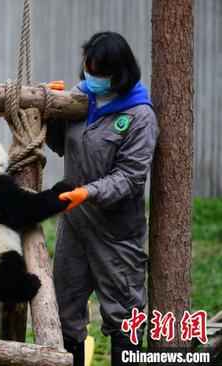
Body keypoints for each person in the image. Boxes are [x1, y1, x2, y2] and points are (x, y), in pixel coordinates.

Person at [46, 31, 159, 366]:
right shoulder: (82, 98)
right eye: (89, 68)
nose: (91, 76)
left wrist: (89, 192)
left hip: (116, 232)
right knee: (66, 310)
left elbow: (130, 177)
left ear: (119, 73)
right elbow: (60, 146)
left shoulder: (140, 117)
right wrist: (51, 110)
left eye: (100, 71)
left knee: (123, 314)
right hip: (75, 225)